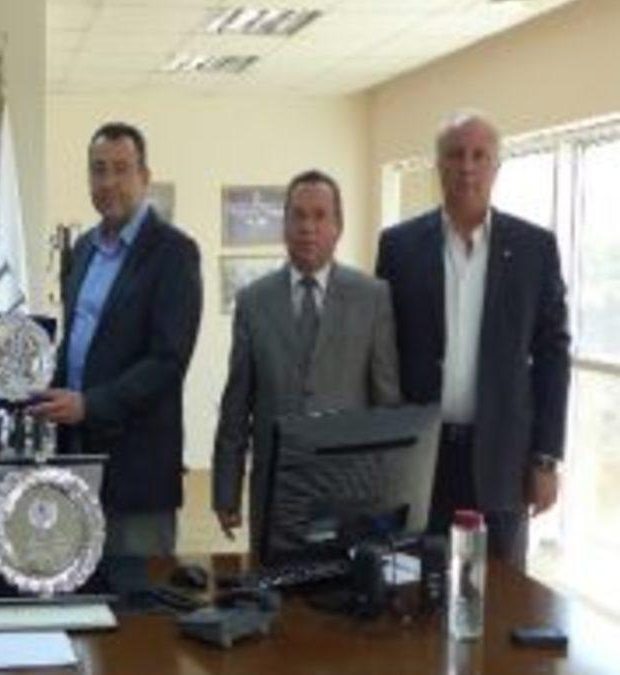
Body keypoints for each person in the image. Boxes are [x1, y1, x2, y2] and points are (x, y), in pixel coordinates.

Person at [376, 110, 570, 568]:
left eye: (480, 156)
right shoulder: (399, 246)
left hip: (502, 460)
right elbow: (381, 350)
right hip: (420, 456)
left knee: (500, 590)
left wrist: (545, 459)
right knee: (414, 583)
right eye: (456, 155)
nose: (467, 167)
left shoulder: (534, 249)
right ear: (438, 165)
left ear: (496, 166)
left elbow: (552, 357)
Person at [31, 122, 203, 556]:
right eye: (98, 169)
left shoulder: (174, 252)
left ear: (144, 177)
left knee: (139, 591)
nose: (108, 182)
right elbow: (78, 342)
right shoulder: (83, 249)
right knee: (78, 579)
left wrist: (89, 405)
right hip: (75, 461)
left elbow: (167, 362)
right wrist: (33, 382)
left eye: (121, 169)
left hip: (137, 473)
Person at [212, 170, 401, 548]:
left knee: (341, 585)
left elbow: (387, 405)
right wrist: (226, 491)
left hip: (349, 493)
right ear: (283, 225)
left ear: (338, 227)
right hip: (275, 494)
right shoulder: (253, 302)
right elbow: (236, 406)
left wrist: (393, 493)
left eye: (319, 216)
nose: (307, 228)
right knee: (273, 585)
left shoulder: (372, 297)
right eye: (297, 216)